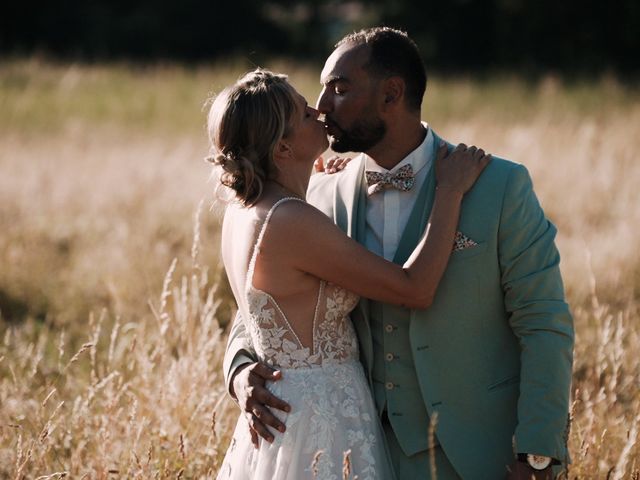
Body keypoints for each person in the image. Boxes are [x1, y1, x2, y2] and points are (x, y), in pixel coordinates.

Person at [225, 28, 574, 479]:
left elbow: (544, 322)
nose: (322, 105)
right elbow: (260, 302)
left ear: (391, 94)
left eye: (340, 88)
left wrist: (538, 452)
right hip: (361, 450)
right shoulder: (317, 196)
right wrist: (240, 371)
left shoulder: (498, 187)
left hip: (484, 456)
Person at [208, 68, 489, 479]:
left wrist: (316, 178)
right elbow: (415, 289)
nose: (319, 110)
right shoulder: (290, 219)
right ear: (283, 148)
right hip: (319, 420)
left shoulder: (245, 209)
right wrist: (449, 191)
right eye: (303, 114)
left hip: (288, 410)